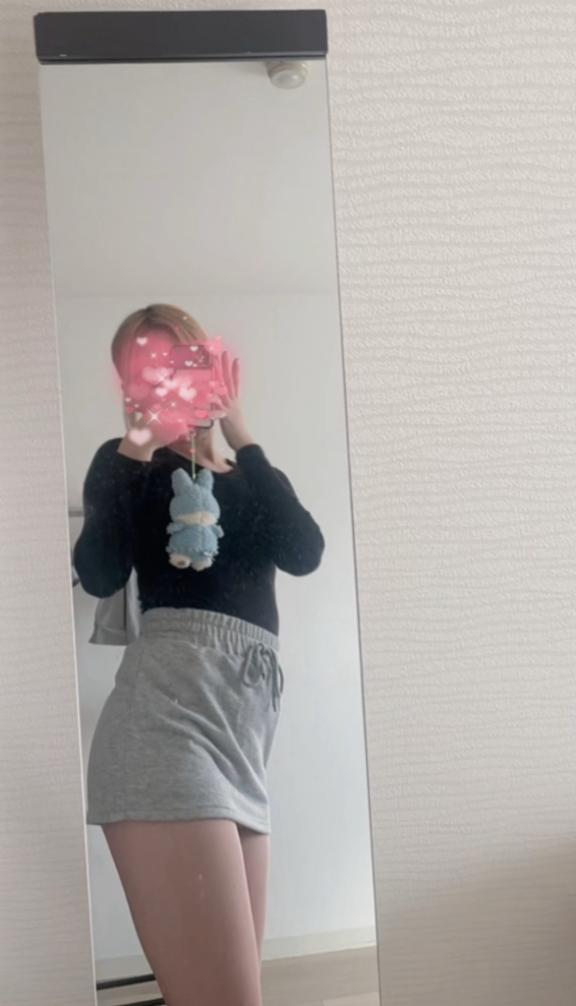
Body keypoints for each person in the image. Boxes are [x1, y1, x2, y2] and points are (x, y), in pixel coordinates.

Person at [73, 303, 324, 1006]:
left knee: (227, 993)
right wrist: (135, 441)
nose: (164, 378)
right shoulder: (129, 467)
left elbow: (305, 551)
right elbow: (98, 572)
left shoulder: (245, 474)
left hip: (243, 742)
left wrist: (241, 429)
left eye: (177, 361)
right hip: (166, 726)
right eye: (143, 367)